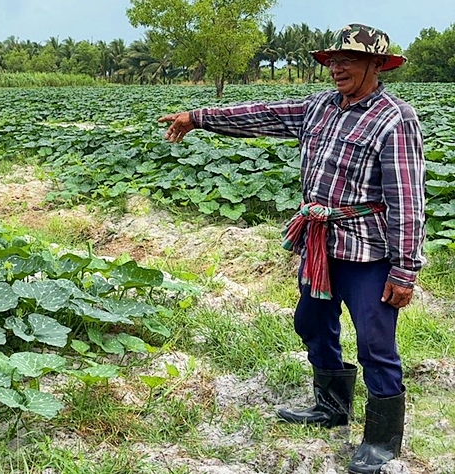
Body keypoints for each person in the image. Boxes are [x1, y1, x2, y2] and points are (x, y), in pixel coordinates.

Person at [159, 24, 424, 474]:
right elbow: (262, 114)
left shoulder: (395, 118)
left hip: (368, 251)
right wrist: (199, 116)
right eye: (333, 60)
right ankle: (330, 406)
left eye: (350, 60)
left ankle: (381, 442)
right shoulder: (320, 106)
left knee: (375, 342)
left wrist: (405, 269)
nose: (337, 67)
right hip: (319, 243)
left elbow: (407, 198)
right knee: (312, 322)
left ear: (376, 65)